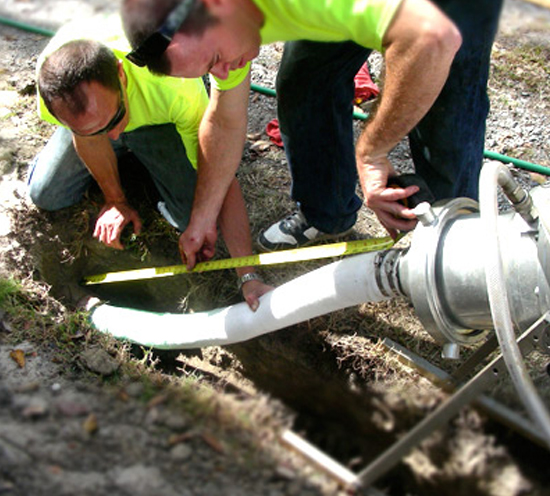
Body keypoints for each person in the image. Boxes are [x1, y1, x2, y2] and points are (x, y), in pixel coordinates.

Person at [120, 0, 503, 262]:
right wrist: (203, 216)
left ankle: (458, 253)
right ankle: (327, 211)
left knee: (448, 113)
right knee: (305, 83)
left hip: (447, 12)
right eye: (210, 69)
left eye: (216, 60)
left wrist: (371, 151)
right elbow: (223, 119)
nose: (223, 73)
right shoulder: (220, 21)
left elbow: (431, 38)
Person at [28, 14, 272, 311]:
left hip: (160, 125)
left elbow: (222, 171)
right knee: (46, 194)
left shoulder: (174, 87)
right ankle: (125, 161)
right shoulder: (55, 87)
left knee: (190, 216)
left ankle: (142, 164)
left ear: (120, 74)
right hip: (94, 118)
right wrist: (115, 201)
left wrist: (247, 273)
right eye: (98, 130)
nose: (114, 135)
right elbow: (91, 134)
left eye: (115, 118)